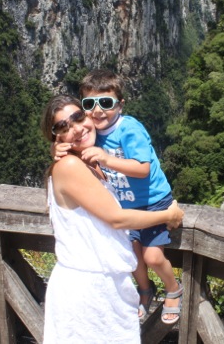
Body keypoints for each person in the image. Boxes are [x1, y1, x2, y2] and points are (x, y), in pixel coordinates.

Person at [40, 94, 184, 343]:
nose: (76, 128)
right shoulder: (70, 166)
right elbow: (117, 219)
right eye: (63, 127)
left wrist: (58, 145)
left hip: (107, 286)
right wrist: (168, 215)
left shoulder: (93, 157)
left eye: (78, 117)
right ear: (56, 137)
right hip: (87, 292)